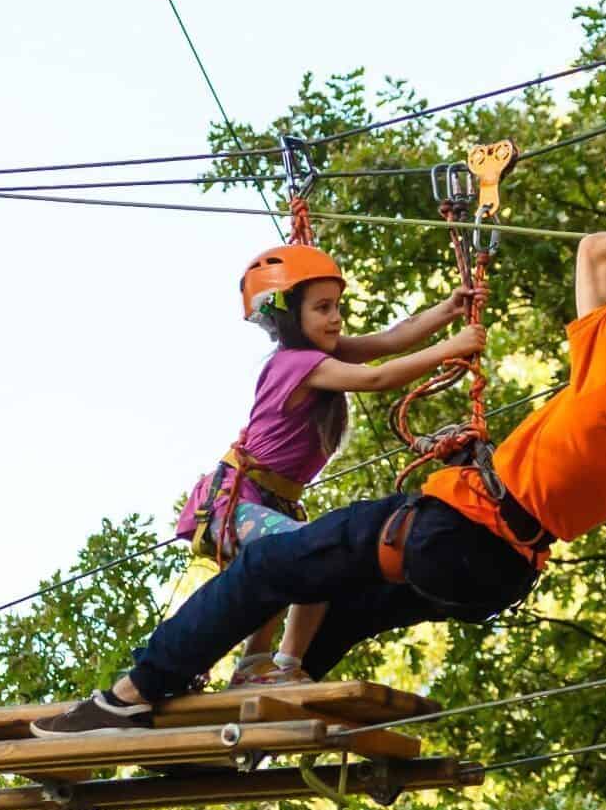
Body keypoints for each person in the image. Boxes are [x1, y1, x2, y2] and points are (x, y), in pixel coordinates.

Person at [34, 212, 606, 735]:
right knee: (343, 610)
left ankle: (136, 690)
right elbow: (558, 469)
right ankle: (252, 726)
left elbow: (598, 251)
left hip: (450, 531)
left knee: (268, 566)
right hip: (498, 573)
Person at [176, 242, 481, 688]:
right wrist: (452, 348)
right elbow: (377, 377)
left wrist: (446, 311)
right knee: (312, 554)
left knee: (315, 561)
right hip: (235, 498)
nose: (335, 317)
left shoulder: (323, 354)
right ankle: (259, 666)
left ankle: (282, 667)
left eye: (337, 306)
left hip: (269, 499)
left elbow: (389, 340)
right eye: (322, 308)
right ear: (285, 314)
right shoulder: (295, 364)